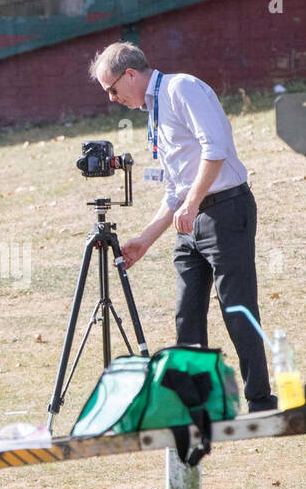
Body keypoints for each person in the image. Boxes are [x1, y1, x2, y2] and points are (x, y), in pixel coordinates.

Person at [89, 41, 277, 412]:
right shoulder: (154, 109)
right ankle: (197, 405)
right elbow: (175, 187)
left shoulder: (181, 89)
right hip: (189, 222)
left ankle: (260, 400)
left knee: (236, 308)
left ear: (130, 74)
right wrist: (144, 240)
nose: (111, 98)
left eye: (112, 89)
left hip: (226, 209)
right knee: (186, 313)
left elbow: (216, 148)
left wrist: (191, 205)